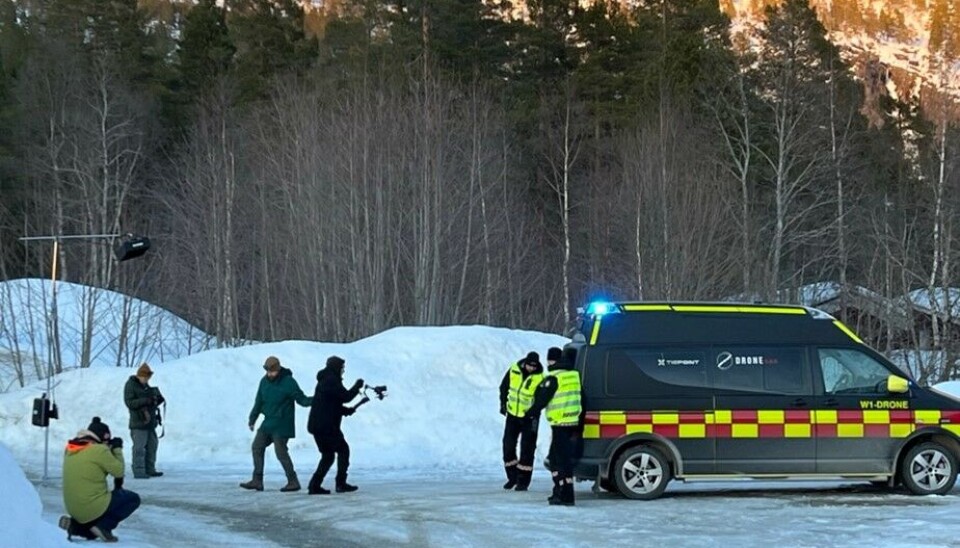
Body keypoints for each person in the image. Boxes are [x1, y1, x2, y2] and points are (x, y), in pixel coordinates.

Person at [59, 417, 141, 543]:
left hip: (73, 508)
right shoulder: (98, 450)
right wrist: (117, 450)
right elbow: (118, 471)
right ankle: (105, 526)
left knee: (93, 533)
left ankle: (73, 526)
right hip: (92, 505)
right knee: (132, 499)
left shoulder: (70, 448)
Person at [240, 356, 313, 492]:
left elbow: (301, 399)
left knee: (280, 452)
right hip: (268, 422)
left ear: (278, 369)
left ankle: (293, 481)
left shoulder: (288, 382)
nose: (270, 374)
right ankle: (257, 480)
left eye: (272, 371)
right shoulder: (264, 382)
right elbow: (259, 401)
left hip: (282, 423)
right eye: (267, 371)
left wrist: (319, 399)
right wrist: (252, 419)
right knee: (257, 447)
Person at [525, 347, 581, 506]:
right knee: (558, 458)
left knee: (559, 461)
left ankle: (565, 495)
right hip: (572, 422)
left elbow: (542, 400)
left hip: (560, 424)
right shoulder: (574, 375)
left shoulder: (555, 378)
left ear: (552, 361)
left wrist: (529, 413)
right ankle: (559, 491)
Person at [307, 355, 363, 494]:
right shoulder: (331, 380)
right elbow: (346, 396)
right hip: (327, 427)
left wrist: (345, 411)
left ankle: (315, 485)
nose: (343, 370)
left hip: (318, 425)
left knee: (328, 456)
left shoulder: (326, 379)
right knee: (343, 450)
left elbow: (330, 403)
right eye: (342, 368)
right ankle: (341, 483)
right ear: (336, 367)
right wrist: (357, 386)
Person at [498, 350, 545, 491]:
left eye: (534, 366)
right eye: (530, 365)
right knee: (508, 446)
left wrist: (533, 412)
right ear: (525, 363)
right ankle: (512, 477)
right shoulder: (514, 370)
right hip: (513, 414)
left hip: (530, 418)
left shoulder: (540, 378)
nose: (532, 368)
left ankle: (523, 481)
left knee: (527, 449)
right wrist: (503, 404)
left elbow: (541, 399)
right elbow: (504, 387)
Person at [123, 363, 164, 479]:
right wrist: (146, 400)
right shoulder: (130, 385)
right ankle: (139, 471)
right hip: (138, 422)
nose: (146, 380)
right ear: (139, 376)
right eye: (145, 378)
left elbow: (150, 401)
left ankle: (150, 469)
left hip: (150, 422)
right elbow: (129, 403)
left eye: (148, 378)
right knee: (139, 448)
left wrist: (156, 399)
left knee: (152, 446)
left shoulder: (145, 386)